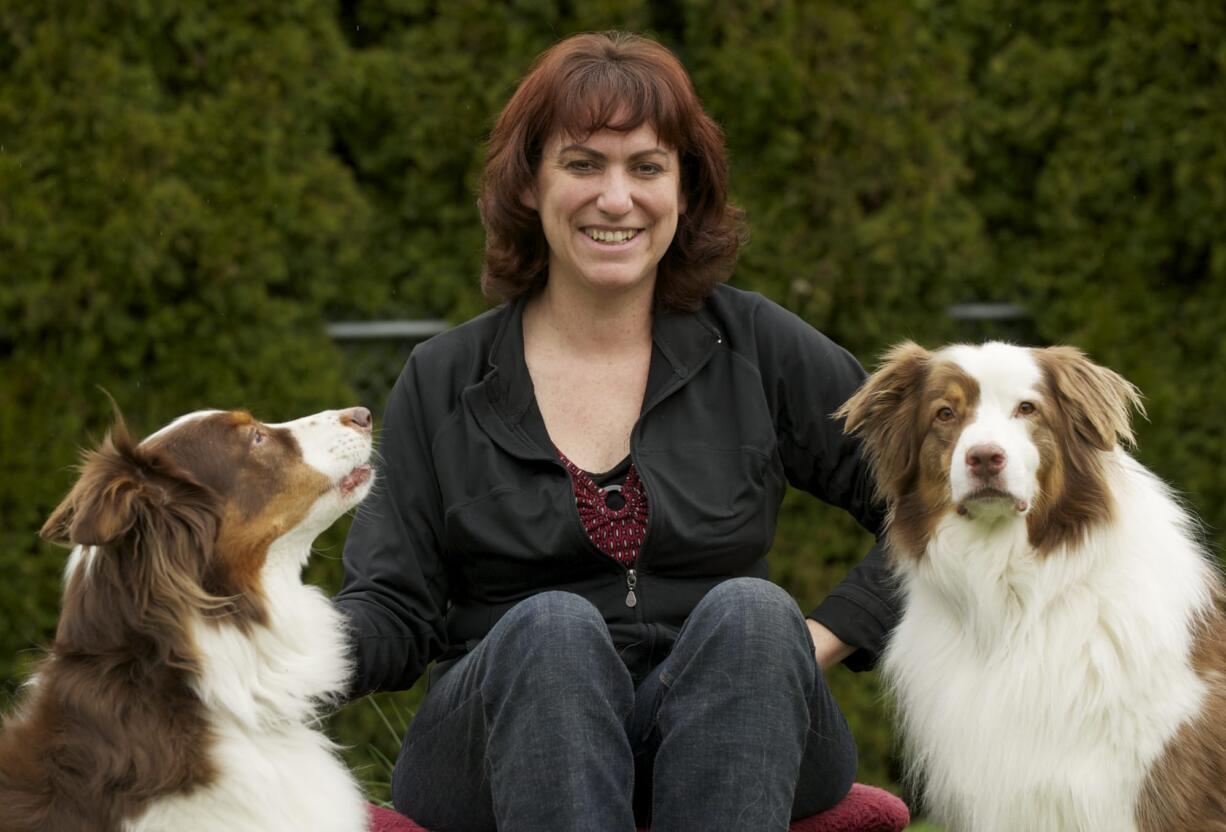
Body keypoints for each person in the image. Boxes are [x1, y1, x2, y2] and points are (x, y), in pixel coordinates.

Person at [334, 30, 897, 832]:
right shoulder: (444, 377)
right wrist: (275, 651)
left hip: (734, 726)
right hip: (502, 742)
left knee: (752, 613)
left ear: (683, 188)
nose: (616, 198)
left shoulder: (759, 347)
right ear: (530, 184)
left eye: (646, 167)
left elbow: (936, 500)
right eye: (583, 163)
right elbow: (393, 605)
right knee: (553, 626)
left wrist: (818, 636)